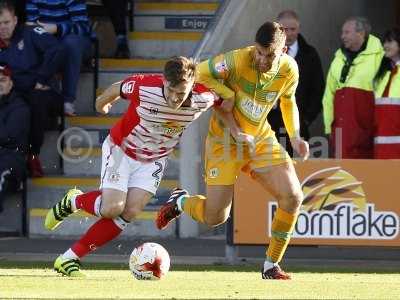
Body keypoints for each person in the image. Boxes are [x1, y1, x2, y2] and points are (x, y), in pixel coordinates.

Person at [156, 22, 309, 280]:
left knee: (293, 197)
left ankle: (271, 265)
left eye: (268, 55)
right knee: (215, 217)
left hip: (259, 139)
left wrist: (294, 136)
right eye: (259, 52)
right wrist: (226, 93)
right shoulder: (237, 60)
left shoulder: (289, 69)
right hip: (223, 143)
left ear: (283, 49)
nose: (261, 59)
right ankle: (180, 201)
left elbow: (288, 100)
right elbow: (199, 73)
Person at [44, 56, 221, 277]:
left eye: (181, 93)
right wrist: (102, 104)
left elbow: (226, 99)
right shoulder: (146, 87)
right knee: (111, 209)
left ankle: (69, 259)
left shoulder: (203, 98)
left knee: (130, 211)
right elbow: (118, 88)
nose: (175, 99)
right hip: (121, 150)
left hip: (154, 159)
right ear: (164, 81)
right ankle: (74, 201)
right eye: (171, 91)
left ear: (192, 87)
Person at [0, 0, 65, 177]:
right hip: (13, 94)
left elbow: (57, 49)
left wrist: (42, 78)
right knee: (16, 106)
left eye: (6, 22)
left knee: (35, 100)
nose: (3, 28)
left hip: (43, 92)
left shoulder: (30, 33)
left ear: (14, 20)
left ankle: (32, 155)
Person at [322, 16, 384, 158]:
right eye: (342, 32)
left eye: (347, 32)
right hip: (340, 134)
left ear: (360, 33)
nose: (342, 36)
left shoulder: (380, 58)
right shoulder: (338, 59)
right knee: (342, 177)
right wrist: (328, 128)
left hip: (366, 135)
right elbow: (328, 96)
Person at [268, 10, 324, 155]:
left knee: (298, 172)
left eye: (293, 29)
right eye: (284, 29)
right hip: (269, 127)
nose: (289, 33)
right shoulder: (264, 53)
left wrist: (306, 119)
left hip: (298, 128)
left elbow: (317, 90)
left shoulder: (310, 55)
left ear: (298, 29)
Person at [25, 0, 92, 116]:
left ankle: (68, 100)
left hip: (77, 42)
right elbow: (32, 27)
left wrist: (57, 28)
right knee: (36, 43)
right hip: (48, 41)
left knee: (70, 43)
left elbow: (82, 28)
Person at [0, 63, 30, 213]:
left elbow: (9, 137)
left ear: (11, 84)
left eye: (2, 80)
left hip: (12, 158)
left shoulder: (20, 107)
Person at [373, 27, 400, 159]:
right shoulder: (383, 75)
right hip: (381, 147)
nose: (385, 46)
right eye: (385, 42)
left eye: (390, 41)